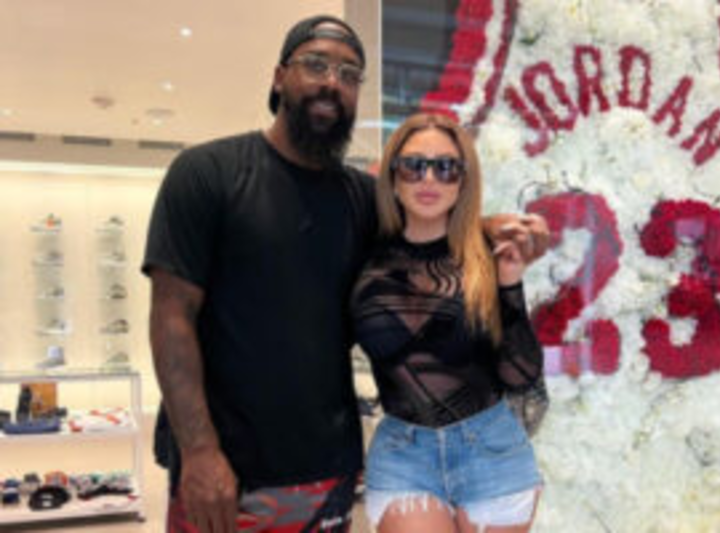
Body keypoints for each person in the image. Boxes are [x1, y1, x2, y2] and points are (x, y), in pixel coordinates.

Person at [143, 15, 549, 533]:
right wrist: (199, 451)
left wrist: (489, 230)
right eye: (315, 64)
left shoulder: (361, 197)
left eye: (349, 74)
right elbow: (171, 316)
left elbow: (426, 225)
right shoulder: (207, 172)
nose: (332, 82)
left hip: (327, 466)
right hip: (226, 471)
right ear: (278, 77)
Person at [350, 112, 548, 533]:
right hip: (403, 454)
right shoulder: (362, 255)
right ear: (393, 175)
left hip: (492, 449)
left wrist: (510, 282)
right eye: (413, 165)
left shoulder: (488, 253)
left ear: (463, 180)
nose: (429, 179)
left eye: (445, 167)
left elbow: (521, 376)